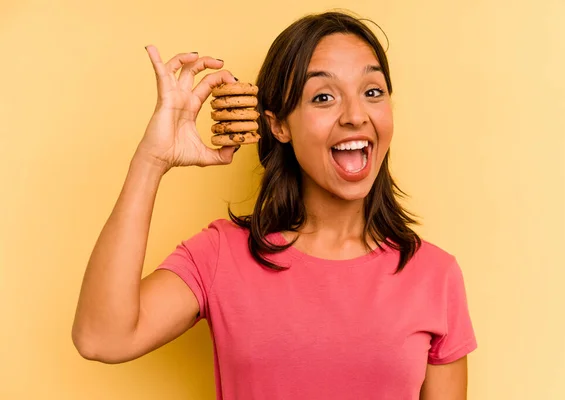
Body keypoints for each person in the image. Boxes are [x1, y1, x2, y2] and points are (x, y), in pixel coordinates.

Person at [72, 11, 477, 400]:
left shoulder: (435, 276)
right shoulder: (221, 256)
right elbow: (101, 337)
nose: (356, 115)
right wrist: (152, 160)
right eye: (323, 96)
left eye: (373, 92)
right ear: (279, 125)